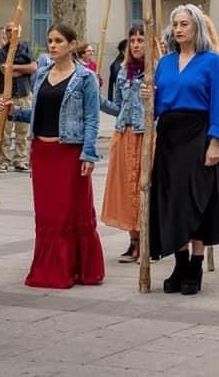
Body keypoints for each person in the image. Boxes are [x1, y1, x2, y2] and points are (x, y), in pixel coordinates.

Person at [0, 23, 104, 289]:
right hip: (42, 153)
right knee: (45, 214)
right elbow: (38, 113)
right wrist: (12, 111)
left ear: (71, 44)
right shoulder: (41, 74)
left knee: (68, 212)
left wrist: (88, 154)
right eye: (50, 41)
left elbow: (92, 118)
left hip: (69, 152)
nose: (53, 45)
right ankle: (48, 267)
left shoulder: (85, 77)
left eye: (58, 40)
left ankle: (75, 269)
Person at [141, 4, 219, 296]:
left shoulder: (213, 61)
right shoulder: (164, 62)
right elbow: (156, 105)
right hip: (169, 137)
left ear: (197, 28)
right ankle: (179, 263)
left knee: (197, 200)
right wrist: (147, 97)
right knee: (172, 201)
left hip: (199, 135)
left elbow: (218, 104)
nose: (178, 29)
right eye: (175, 24)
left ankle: (195, 264)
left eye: (185, 24)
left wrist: (215, 141)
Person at [99, 26, 146, 263]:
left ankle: (147, 241)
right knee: (126, 189)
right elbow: (117, 107)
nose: (136, 45)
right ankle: (133, 240)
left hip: (146, 135)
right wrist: (97, 99)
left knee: (143, 188)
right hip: (124, 134)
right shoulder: (122, 72)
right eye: (132, 40)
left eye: (141, 40)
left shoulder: (158, 72)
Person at [0, 22, 37, 172]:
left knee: (23, 130)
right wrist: (23, 69)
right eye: (8, 30)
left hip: (24, 93)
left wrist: (14, 66)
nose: (10, 33)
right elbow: (5, 72)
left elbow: (34, 67)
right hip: (7, 95)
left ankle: (20, 160)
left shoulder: (26, 48)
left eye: (13, 31)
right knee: (5, 131)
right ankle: (4, 160)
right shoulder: (1, 52)